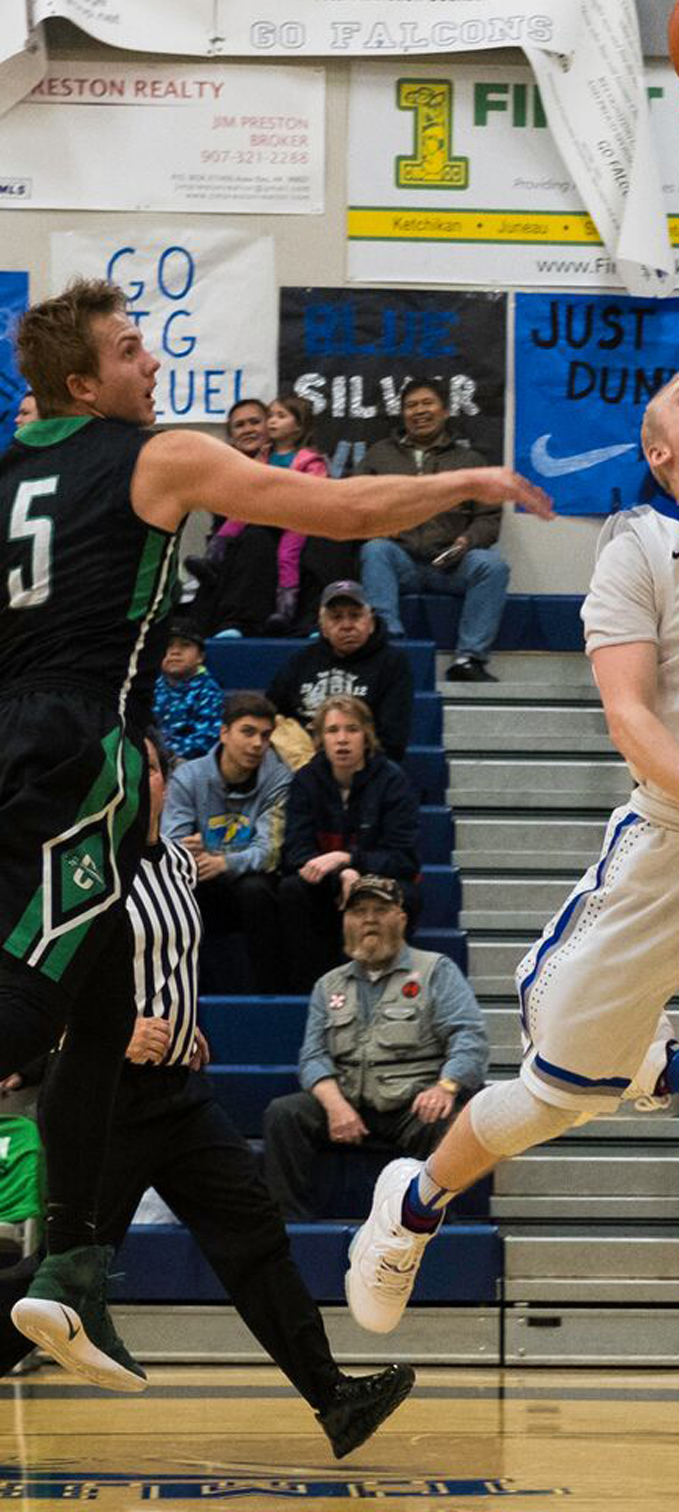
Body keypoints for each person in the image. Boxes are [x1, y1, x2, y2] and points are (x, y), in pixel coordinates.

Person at [344, 75, 679, 1336]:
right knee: (555, 1093)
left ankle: (670, 1067)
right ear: (661, 446)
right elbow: (629, 719)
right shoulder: (636, 545)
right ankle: (410, 1202)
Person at [0, 275, 549, 1384]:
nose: (151, 365)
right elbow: (343, 514)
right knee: (28, 1010)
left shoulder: (12, 465)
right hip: (76, 746)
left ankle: (70, 1267)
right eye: (128, 350)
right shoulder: (157, 455)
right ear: (83, 382)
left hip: (8, 728)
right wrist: (469, 476)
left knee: (104, 997)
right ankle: (66, 1260)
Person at [13, 734, 415, 1449]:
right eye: (129, 767)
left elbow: (167, 962)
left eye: (155, 769)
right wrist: (88, 1034)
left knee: (255, 1239)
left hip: (179, 1095)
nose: (143, 781)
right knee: (60, 1277)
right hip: (101, 1099)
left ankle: (333, 1399)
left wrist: (184, 1024)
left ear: (165, 782)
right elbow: (34, 980)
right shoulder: (71, 864)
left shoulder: (176, 863)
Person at [263, 875, 488, 1222]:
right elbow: (312, 1057)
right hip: (350, 1101)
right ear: (345, 921)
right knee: (284, 1114)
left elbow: (470, 1039)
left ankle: (439, 1230)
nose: (369, 919)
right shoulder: (329, 984)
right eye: (358, 911)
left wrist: (445, 1087)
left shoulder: (435, 971)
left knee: (452, 1123)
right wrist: (336, 1107)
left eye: (380, 910)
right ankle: (288, 1228)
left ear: (401, 918)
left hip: (414, 1106)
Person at [357, 377, 510, 681]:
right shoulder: (379, 455)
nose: (419, 411)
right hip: (400, 560)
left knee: (492, 566)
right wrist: (376, 526)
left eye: (427, 403)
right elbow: (354, 499)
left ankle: (469, 659)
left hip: (450, 564)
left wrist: (467, 541)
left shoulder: (470, 460)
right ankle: (389, 643)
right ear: (402, 413)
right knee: (374, 550)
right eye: (411, 405)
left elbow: (489, 517)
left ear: (445, 411)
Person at [278, 698, 422, 992]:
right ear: (319, 739)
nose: (342, 739)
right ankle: (312, 990)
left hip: (380, 881)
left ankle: (389, 985)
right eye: (332, 730)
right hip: (328, 885)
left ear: (366, 735)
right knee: (291, 889)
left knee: (408, 894)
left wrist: (350, 860)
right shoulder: (306, 780)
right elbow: (295, 853)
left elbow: (403, 858)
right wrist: (341, 874)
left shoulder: (392, 780)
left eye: (351, 729)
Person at [160, 691, 290, 993]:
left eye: (265, 735)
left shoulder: (279, 779)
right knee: (181, 887)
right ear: (224, 732)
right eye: (248, 732)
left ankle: (266, 995)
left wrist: (220, 859)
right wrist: (203, 858)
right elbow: (175, 844)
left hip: (251, 881)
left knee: (257, 889)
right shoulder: (188, 777)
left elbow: (270, 851)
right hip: (204, 880)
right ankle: (182, 991)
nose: (257, 744)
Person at [204, 394, 330, 632]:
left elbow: (318, 491)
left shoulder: (309, 459)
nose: (249, 429)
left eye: (255, 421)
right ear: (231, 435)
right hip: (257, 521)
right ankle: (213, 561)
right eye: (239, 425)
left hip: (295, 518)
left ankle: (294, 613)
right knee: (243, 522)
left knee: (296, 551)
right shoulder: (247, 462)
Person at [268, 580, 415, 764]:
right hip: (300, 765)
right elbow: (270, 713)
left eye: (355, 616)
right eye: (336, 617)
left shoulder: (392, 663)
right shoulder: (301, 660)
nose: (347, 625)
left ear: (370, 622)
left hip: (365, 768)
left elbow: (393, 740)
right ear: (323, 627)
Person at [152, 617, 224, 761]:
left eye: (185, 645)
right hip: (151, 756)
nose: (175, 652)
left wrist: (170, 754)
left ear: (200, 656)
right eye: (168, 645)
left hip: (188, 761)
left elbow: (208, 737)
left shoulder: (208, 691)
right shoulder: (150, 686)